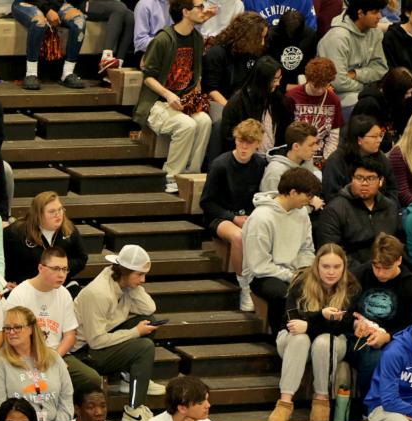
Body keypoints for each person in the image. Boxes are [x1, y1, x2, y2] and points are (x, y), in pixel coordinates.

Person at [267, 244, 358, 421]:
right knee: (300, 338)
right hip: (292, 342)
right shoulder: (301, 281)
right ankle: (285, 402)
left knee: (324, 341)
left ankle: (321, 400)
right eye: (326, 266)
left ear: (344, 266)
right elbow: (292, 321)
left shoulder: (351, 286)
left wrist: (310, 323)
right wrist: (322, 317)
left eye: (336, 267)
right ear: (317, 265)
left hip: (331, 343)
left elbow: (343, 325)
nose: (331, 272)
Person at [73, 244, 160, 421]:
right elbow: (96, 341)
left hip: (101, 340)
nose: (143, 280)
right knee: (144, 346)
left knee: (149, 321)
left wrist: (133, 285)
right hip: (85, 352)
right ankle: (133, 411)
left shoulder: (122, 282)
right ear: (124, 271)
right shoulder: (98, 293)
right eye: (139, 275)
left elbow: (149, 308)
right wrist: (135, 332)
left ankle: (130, 378)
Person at [135, 0, 211, 194]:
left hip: (183, 101)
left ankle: (190, 175)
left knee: (204, 121)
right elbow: (147, 76)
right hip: (157, 103)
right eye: (199, 7)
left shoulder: (197, 38)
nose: (203, 10)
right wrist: (168, 94)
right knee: (187, 125)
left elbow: (195, 74)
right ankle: (170, 176)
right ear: (186, 12)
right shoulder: (163, 39)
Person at [349, 235, 412, 412]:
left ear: (399, 260)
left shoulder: (411, 286)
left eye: (386, 268)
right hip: (357, 336)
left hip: (393, 339)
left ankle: (373, 410)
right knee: (371, 356)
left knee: (379, 357)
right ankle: (368, 410)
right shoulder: (360, 274)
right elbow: (346, 309)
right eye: (376, 267)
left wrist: (388, 336)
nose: (380, 273)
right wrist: (355, 324)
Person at [243, 167, 322, 330]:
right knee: (284, 294)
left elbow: (306, 249)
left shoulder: (301, 213)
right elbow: (259, 266)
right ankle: (280, 336)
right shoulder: (261, 218)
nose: (310, 200)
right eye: (308, 196)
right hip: (263, 276)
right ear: (293, 192)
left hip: (293, 271)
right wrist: (291, 276)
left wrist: (304, 271)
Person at [202, 120, 268, 313]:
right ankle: (244, 286)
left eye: (249, 142)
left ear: (258, 144)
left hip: (248, 216)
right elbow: (206, 202)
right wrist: (233, 218)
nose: (244, 147)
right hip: (219, 217)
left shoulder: (260, 164)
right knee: (239, 237)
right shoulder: (220, 164)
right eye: (240, 141)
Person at [6, 246, 95, 388]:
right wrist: (37, 360)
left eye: (65, 269)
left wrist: (55, 358)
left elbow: (70, 335)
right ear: (41, 268)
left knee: (91, 379)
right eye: (56, 269)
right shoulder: (19, 294)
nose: (61, 275)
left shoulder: (64, 294)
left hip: (56, 353)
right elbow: (12, 336)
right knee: (42, 384)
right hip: (26, 357)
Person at [0, 305, 73, 421]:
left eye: (17, 327)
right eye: (7, 328)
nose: (11, 332)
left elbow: (66, 400)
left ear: (31, 328)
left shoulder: (54, 358)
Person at [13, 0, 134, 90]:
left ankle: (67, 73)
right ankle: (31, 74)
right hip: (27, 2)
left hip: (55, 3)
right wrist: (47, 10)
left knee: (79, 20)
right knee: (39, 22)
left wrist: (53, 8)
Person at [314, 155, 400, 271]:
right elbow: (330, 251)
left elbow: (398, 245)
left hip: (386, 269)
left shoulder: (390, 207)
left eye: (371, 178)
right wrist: (368, 271)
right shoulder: (334, 210)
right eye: (359, 178)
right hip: (350, 273)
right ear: (351, 179)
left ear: (381, 181)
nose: (364, 183)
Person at [3, 192, 88, 287]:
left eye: (60, 209)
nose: (58, 214)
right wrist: (7, 282)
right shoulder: (17, 233)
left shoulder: (69, 229)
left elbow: (81, 258)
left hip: (59, 285)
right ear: (38, 214)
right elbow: (3, 260)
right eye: (52, 211)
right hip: (26, 286)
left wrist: (58, 269)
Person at [317, 0, 389, 111]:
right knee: (366, 104)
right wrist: (366, 87)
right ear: (360, 13)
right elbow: (338, 82)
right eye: (375, 12)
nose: (380, 16)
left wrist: (356, 74)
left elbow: (381, 69)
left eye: (380, 11)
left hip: (361, 93)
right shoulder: (337, 38)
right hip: (334, 96)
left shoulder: (375, 33)